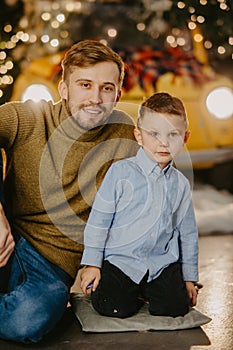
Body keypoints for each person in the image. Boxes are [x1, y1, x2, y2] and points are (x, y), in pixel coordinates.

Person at [0, 39, 138, 343]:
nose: (95, 98)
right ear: (64, 89)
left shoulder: (124, 134)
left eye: (106, 88)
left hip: (51, 260)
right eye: (85, 85)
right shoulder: (28, 118)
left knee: (26, 322)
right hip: (5, 234)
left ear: (117, 94)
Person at [80, 92, 199, 319]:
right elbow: (98, 222)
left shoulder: (181, 185)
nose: (163, 143)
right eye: (154, 134)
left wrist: (189, 278)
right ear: (139, 136)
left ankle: (150, 290)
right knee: (113, 307)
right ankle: (129, 291)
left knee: (175, 308)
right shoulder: (120, 173)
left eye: (173, 134)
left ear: (185, 138)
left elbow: (188, 234)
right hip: (121, 260)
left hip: (161, 262)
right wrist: (92, 264)